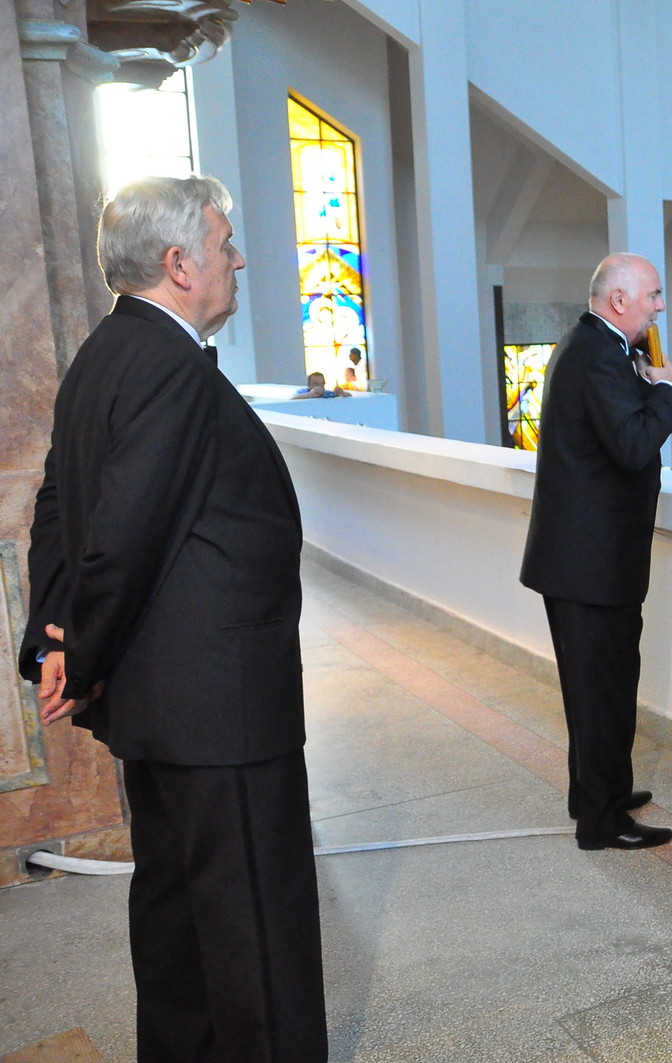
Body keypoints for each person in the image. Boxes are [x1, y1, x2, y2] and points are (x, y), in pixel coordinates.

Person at [18, 175, 327, 1061]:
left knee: (179, 907)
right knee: (255, 922)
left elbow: (57, 508)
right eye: (225, 245)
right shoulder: (170, 368)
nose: (239, 260)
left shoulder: (105, 351)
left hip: (167, 699)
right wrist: (81, 655)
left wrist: (56, 635)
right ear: (179, 263)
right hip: (219, 703)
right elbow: (120, 536)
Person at [519, 253, 672, 850]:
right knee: (603, 693)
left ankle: (596, 790)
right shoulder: (598, 356)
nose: (659, 306)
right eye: (653, 295)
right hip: (591, 566)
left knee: (594, 691)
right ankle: (602, 820)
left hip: (582, 560)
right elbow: (634, 444)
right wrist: (667, 391)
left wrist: (644, 380)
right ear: (619, 301)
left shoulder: (593, 345)